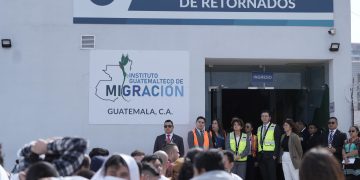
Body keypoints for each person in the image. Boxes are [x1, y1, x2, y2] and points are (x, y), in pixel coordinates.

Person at [13, 137, 87, 177]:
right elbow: (80, 143)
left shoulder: (24, 171)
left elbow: (21, 152)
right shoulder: (59, 172)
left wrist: (41, 147)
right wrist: (49, 147)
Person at [257, 110, 281, 180]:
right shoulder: (259, 128)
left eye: (266, 116)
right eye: (263, 116)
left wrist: (275, 155)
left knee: (272, 176)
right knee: (264, 176)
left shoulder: (275, 127)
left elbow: (277, 142)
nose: (264, 118)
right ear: (261, 118)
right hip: (261, 155)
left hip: (271, 155)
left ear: (270, 118)